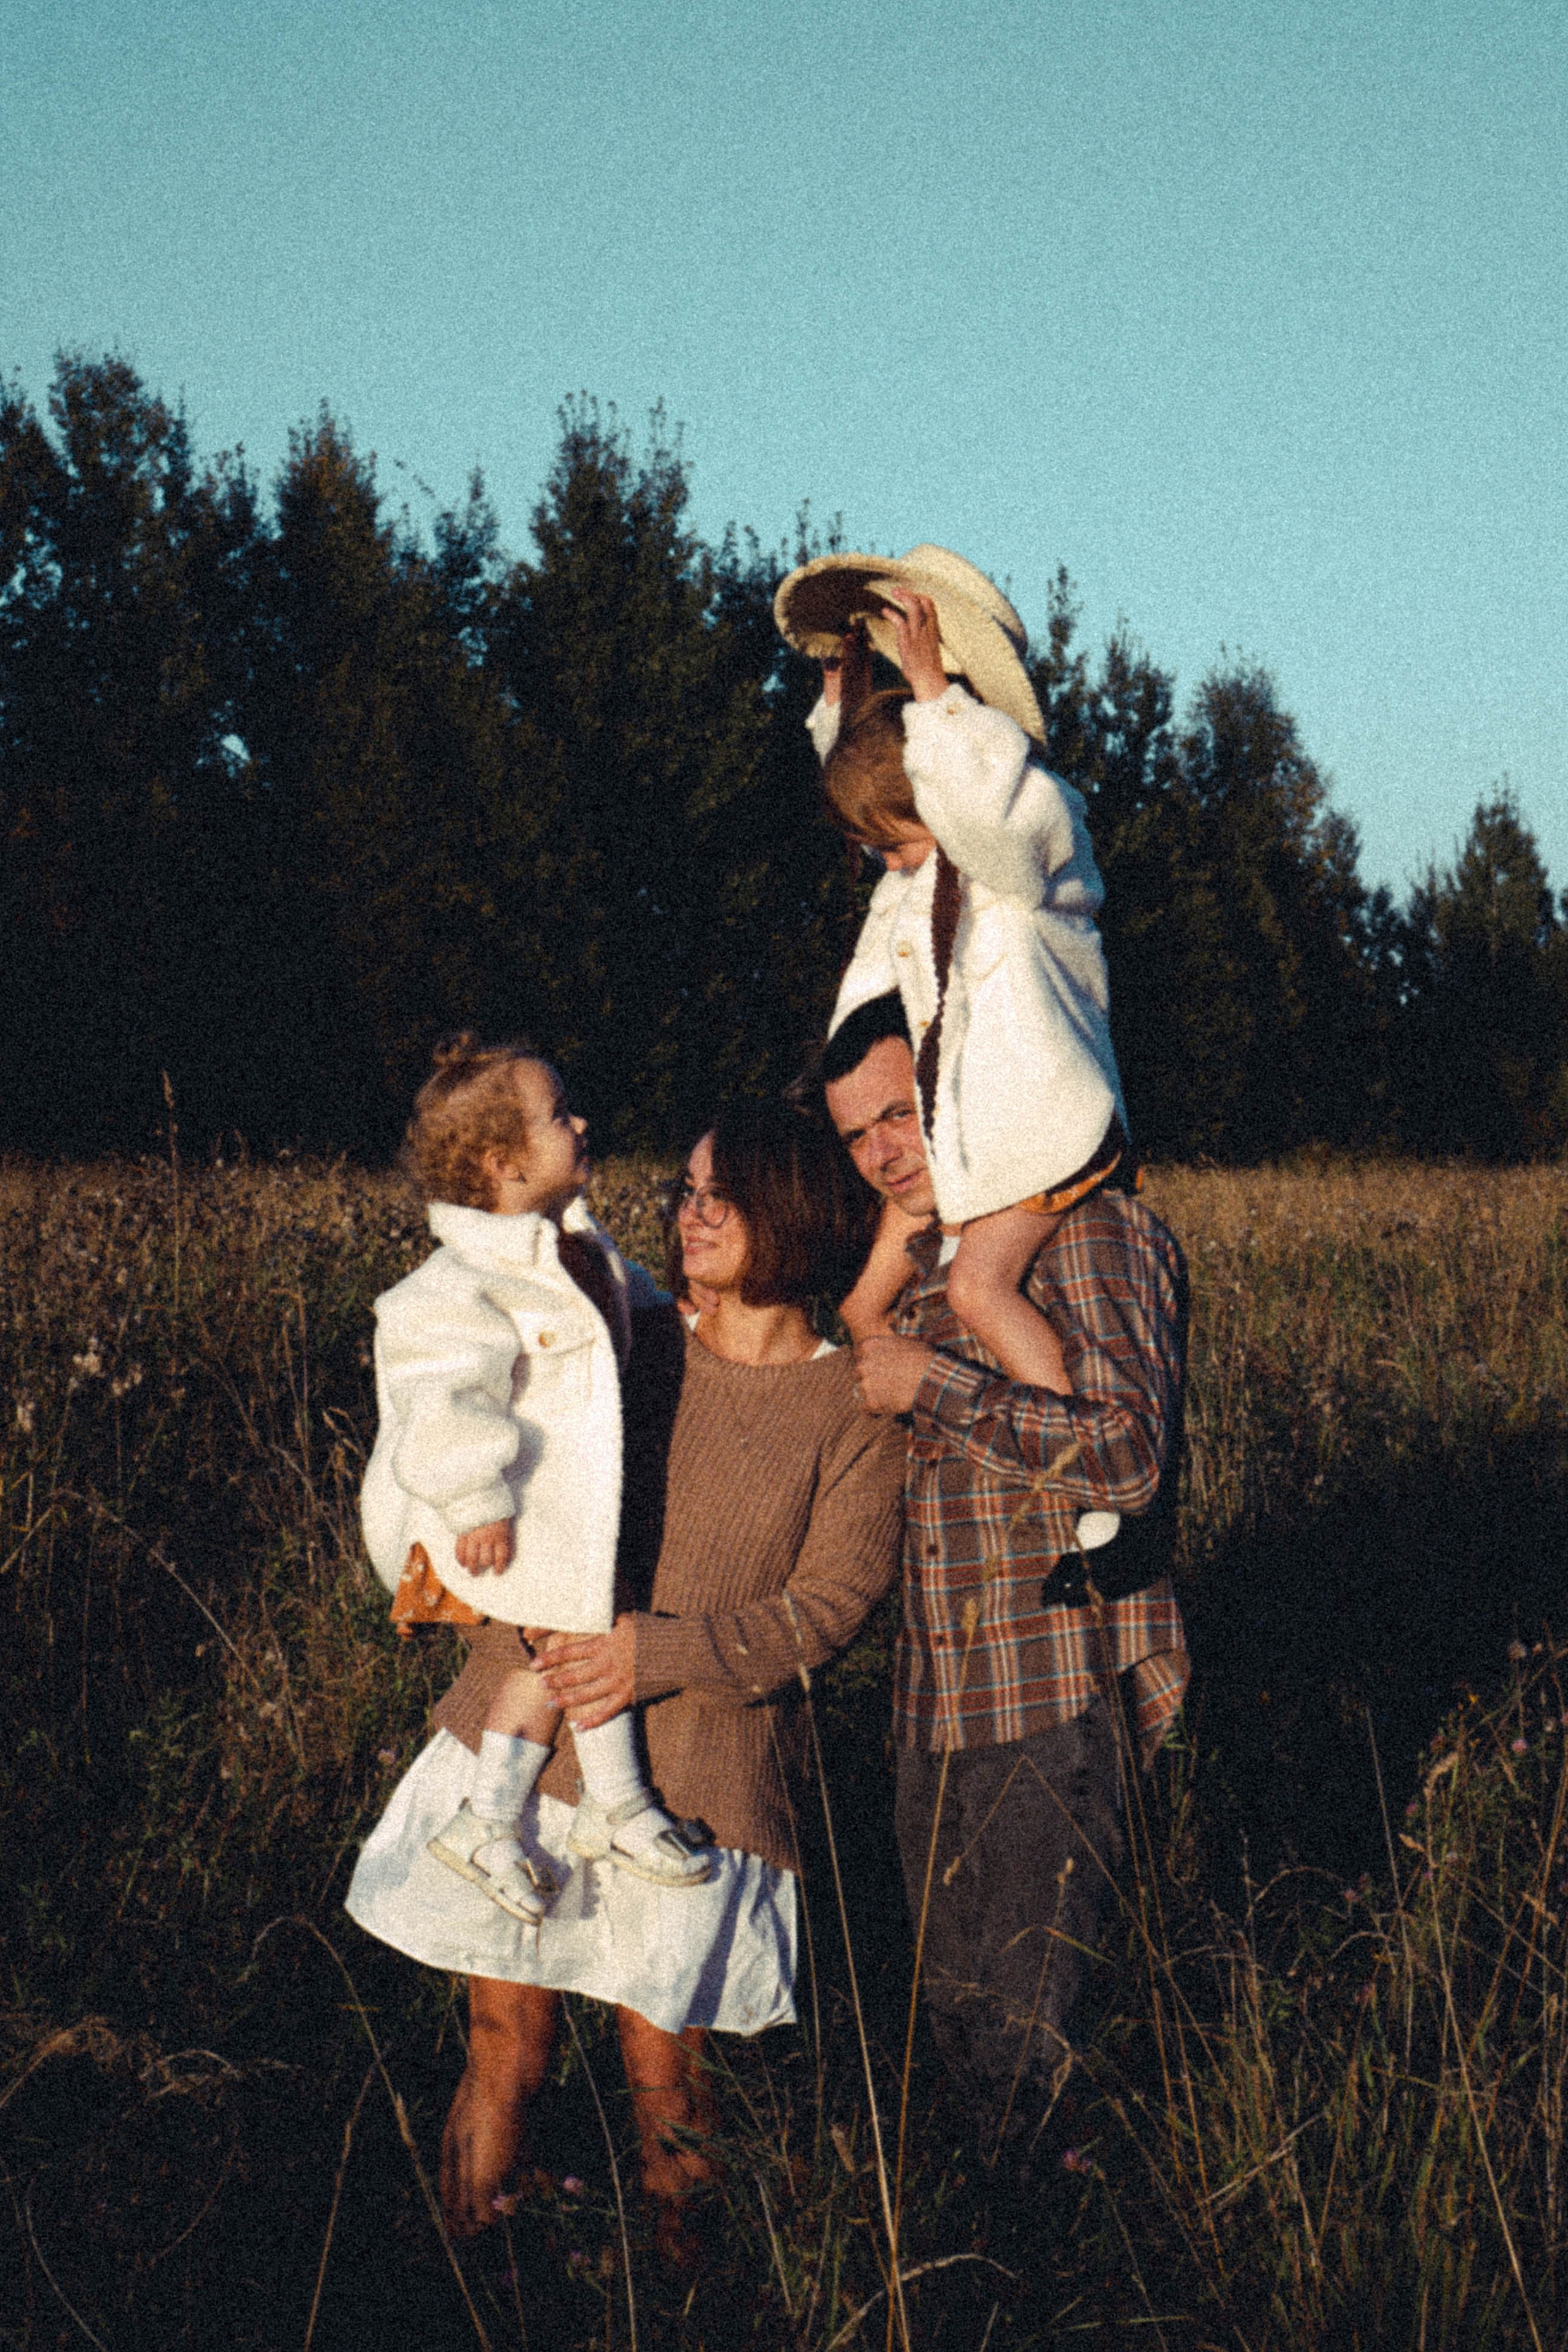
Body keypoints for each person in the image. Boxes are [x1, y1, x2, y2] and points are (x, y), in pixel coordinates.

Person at [346, 1096, 906, 2250]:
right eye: (686, 1191)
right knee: (507, 2046)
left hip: (701, 1780)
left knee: (671, 2088)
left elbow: (830, 1609)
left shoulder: (853, 1406)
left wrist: (652, 1655)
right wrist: (434, 1559)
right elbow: (461, 1418)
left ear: (789, 1211)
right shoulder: (627, 1343)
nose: (691, 1214)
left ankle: (683, 2302)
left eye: (720, 1196)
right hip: (529, 1750)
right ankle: (466, 2294)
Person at [820, 990, 1189, 2177]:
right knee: (963, 2045)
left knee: (1036, 2062)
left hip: (1050, 1698)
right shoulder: (934, 1266)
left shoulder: (1092, 1234)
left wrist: (932, 1381)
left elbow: (1129, 1458)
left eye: (900, 1114)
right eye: (855, 1136)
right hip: (934, 1713)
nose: (883, 1153)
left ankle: (1048, 2276)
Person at [360, 1035, 709, 1927]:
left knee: (560, 1645)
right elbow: (438, 1393)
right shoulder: (462, 1280)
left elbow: (629, 1310)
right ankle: (616, 1802)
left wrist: (682, 1319)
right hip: (484, 1511)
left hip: (553, 1512)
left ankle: (489, 1820)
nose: (582, 1121)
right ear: (502, 1161)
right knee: (585, 1631)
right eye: (560, 1115)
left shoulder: (574, 1250)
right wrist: (476, 1499)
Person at [774, 545, 1128, 1390]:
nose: (889, 867)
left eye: (894, 847)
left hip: (1047, 1133)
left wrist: (930, 697)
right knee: (875, 1300)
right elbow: (885, 777)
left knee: (977, 1289)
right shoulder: (931, 866)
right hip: (975, 1133)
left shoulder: (1025, 848)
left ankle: (1063, 1449)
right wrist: (842, 698)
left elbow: (983, 810)